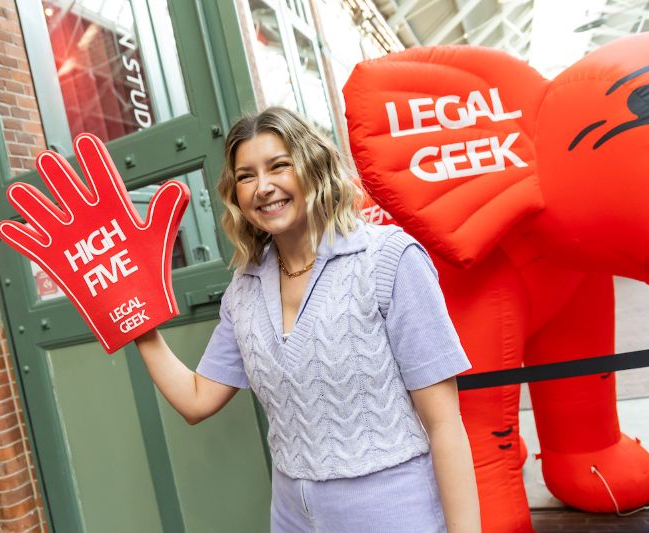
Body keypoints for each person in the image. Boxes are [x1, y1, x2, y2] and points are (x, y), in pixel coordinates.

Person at [135, 107, 481, 532]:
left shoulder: (387, 259)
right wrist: (134, 317)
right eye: (246, 176)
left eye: (279, 166)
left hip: (391, 509)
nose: (263, 187)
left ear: (313, 167)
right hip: (292, 516)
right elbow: (196, 400)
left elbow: (444, 424)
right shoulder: (244, 288)